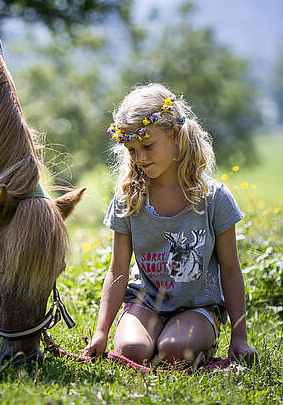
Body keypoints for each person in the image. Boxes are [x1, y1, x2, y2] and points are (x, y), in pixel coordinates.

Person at [83, 83, 256, 367]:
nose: (140, 158)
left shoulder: (214, 199)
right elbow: (118, 268)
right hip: (145, 303)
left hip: (197, 308)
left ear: (175, 134)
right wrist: (101, 332)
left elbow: (231, 269)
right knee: (132, 349)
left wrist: (240, 337)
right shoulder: (130, 198)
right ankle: (145, 336)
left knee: (174, 351)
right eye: (132, 149)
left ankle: (198, 339)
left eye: (148, 146)